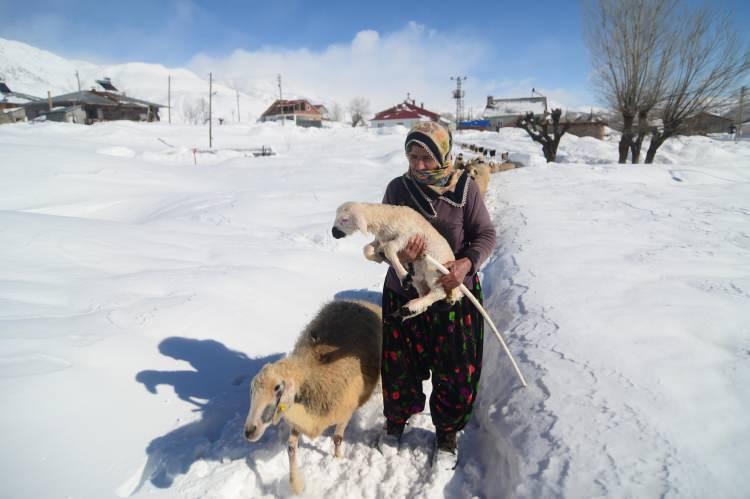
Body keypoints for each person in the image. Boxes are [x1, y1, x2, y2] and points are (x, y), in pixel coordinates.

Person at [376, 121, 496, 468]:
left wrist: (466, 264)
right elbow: (382, 244)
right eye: (412, 156)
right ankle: (396, 421)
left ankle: (446, 433)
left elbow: (485, 234)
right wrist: (399, 255)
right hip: (405, 293)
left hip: (451, 292)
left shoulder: (465, 189)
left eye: (426, 157)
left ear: (443, 154)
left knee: (454, 366)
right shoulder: (398, 190)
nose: (418, 165)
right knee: (400, 364)